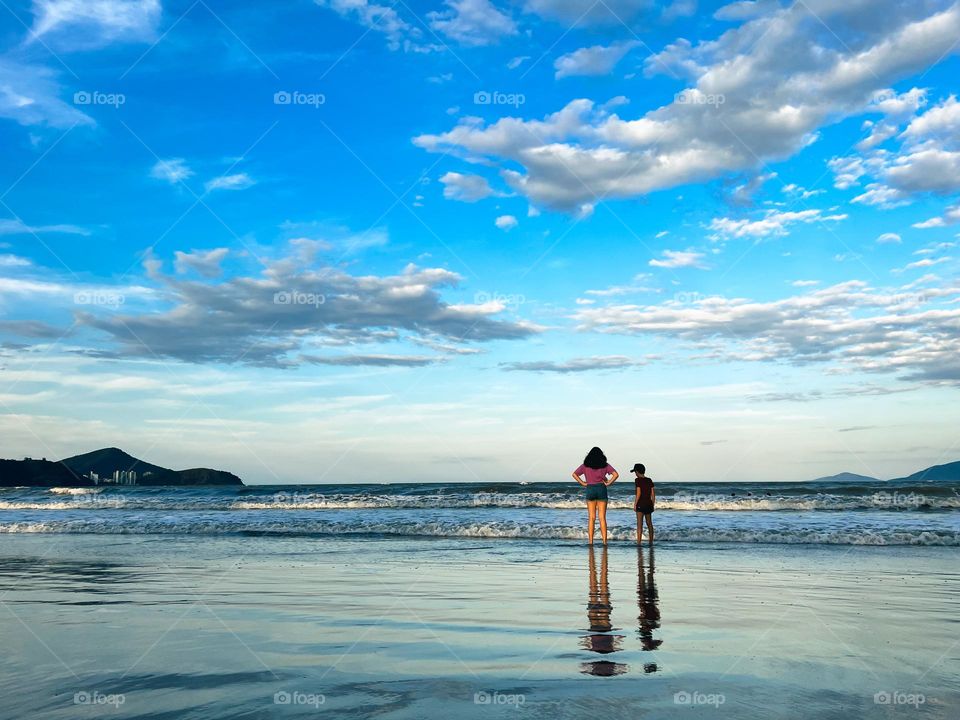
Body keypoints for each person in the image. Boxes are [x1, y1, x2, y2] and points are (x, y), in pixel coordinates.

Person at [572, 447, 618, 545]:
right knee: (602, 518)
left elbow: (574, 474)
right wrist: (608, 483)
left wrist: (583, 483)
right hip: (601, 489)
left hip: (590, 489)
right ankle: (605, 542)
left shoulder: (585, 465)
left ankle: (591, 542)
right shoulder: (604, 465)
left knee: (591, 518)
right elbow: (616, 475)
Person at [632, 463, 655, 544]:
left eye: (635, 472)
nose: (635, 474)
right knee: (649, 524)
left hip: (640, 504)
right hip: (648, 504)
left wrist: (635, 504)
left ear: (637, 472)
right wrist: (652, 504)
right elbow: (653, 494)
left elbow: (638, 493)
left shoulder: (637, 480)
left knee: (639, 525)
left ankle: (639, 542)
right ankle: (651, 541)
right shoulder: (649, 480)